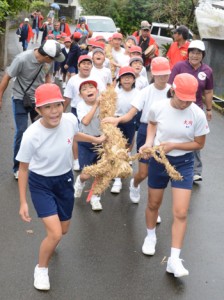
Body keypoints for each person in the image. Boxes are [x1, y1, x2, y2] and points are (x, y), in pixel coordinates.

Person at [16, 83, 105, 291]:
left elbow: (75, 135)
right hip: (41, 184)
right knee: (55, 234)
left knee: (63, 231)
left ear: (63, 104)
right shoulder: (31, 135)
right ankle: (41, 268)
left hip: (64, 180)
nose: (54, 111)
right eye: (47, 107)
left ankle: (51, 242)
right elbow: (23, 169)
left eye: (57, 105)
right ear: (38, 110)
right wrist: (22, 202)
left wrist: (95, 138)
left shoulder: (70, 120)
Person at [139, 73, 209, 277]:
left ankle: (174, 260)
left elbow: (199, 144)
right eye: (181, 98)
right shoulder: (159, 107)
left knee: (180, 212)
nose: (185, 103)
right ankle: (150, 236)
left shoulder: (197, 114)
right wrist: (149, 142)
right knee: (153, 203)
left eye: (189, 99)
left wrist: (175, 145)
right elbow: (151, 123)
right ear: (173, 91)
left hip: (184, 163)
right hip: (159, 160)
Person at [102, 57, 171, 207]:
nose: (162, 78)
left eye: (165, 74)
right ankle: (135, 183)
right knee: (143, 173)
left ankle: (154, 208)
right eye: (159, 74)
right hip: (146, 130)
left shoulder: (172, 91)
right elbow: (131, 113)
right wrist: (117, 120)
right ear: (153, 73)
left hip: (165, 133)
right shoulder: (145, 92)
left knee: (160, 173)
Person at [0, 40, 65, 179]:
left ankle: (41, 162)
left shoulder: (48, 62)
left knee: (45, 129)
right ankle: (17, 167)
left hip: (39, 101)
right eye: (53, 59)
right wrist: (0, 98)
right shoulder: (22, 59)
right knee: (22, 131)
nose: (54, 61)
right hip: (20, 99)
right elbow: (6, 77)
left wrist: (52, 97)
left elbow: (48, 78)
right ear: (47, 56)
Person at [168, 40, 213, 182]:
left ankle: (195, 171)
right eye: (192, 52)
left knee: (196, 139)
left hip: (196, 109)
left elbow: (208, 91)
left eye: (198, 53)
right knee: (174, 134)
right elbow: (170, 87)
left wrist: (209, 109)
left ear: (203, 55)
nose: (195, 55)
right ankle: (168, 164)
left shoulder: (207, 71)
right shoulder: (180, 66)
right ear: (188, 54)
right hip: (177, 107)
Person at [63, 55, 105, 171]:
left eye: (88, 63)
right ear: (78, 66)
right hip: (77, 110)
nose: (86, 65)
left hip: (95, 110)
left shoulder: (97, 79)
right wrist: (61, 112)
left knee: (94, 132)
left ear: (91, 66)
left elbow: (104, 94)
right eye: (83, 63)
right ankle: (77, 160)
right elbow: (67, 97)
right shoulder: (73, 79)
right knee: (76, 135)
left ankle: (95, 163)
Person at [74, 79, 103, 210]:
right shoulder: (81, 105)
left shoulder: (105, 103)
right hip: (85, 141)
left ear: (97, 91)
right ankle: (80, 182)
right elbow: (85, 121)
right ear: (81, 95)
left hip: (101, 142)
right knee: (86, 174)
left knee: (101, 173)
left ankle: (96, 198)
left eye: (91, 87)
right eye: (84, 89)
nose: (89, 90)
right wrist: (96, 105)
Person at [110, 66, 138, 194]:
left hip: (130, 121)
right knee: (117, 149)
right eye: (124, 77)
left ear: (134, 79)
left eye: (129, 77)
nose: (127, 80)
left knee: (127, 145)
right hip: (116, 121)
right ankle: (117, 179)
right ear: (119, 80)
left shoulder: (138, 92)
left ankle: (126, 157)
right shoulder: (115, 92)